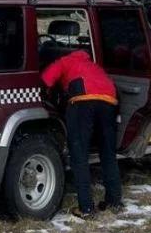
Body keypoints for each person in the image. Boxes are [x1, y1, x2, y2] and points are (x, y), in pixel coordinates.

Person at [41, 48, 121, 217]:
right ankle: (114, 202)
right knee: (108, 154)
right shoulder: (94, 66)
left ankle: (86, 209)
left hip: (82, 101)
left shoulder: (64, 61)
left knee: (79, 156)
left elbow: (46, 79)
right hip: (110, 101)